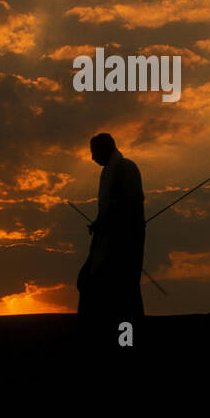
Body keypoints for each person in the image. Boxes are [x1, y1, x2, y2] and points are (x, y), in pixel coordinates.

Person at [77, 133, 145, 330]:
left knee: (121, 288)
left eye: (94, 152)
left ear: (105, 148)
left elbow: (126, 204)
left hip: (123, 241)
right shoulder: (110, 170)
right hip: (107, 240)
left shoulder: (125, 168)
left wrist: (104, 223)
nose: (92, 157)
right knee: (95, 283)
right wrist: (100, 223)